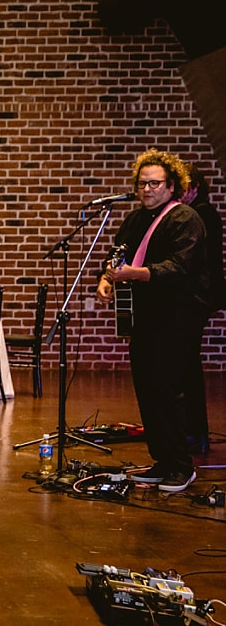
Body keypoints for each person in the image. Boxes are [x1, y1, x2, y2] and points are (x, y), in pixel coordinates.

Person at [96, 148, 211, 493]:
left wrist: (136, 273)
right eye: (142, 184)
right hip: (144, 316)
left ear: (171, 184)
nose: (147, 190)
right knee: (146, 388)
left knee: (166, 388)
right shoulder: (134, 219)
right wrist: (107, 277)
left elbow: (179, 267)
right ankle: (162, 460)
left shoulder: (185, 218)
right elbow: (118, 255)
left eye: (155, 183)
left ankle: (180, 465)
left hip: (176, 315)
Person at [181, 165, 224, 454]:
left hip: (198, 297)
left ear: (195, 187)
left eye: (182, 187)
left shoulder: (202, 214)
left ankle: (196, 432)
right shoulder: (197, 213)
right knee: (185, 363)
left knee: (187, 364)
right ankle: (192, 431)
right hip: (196, 296)